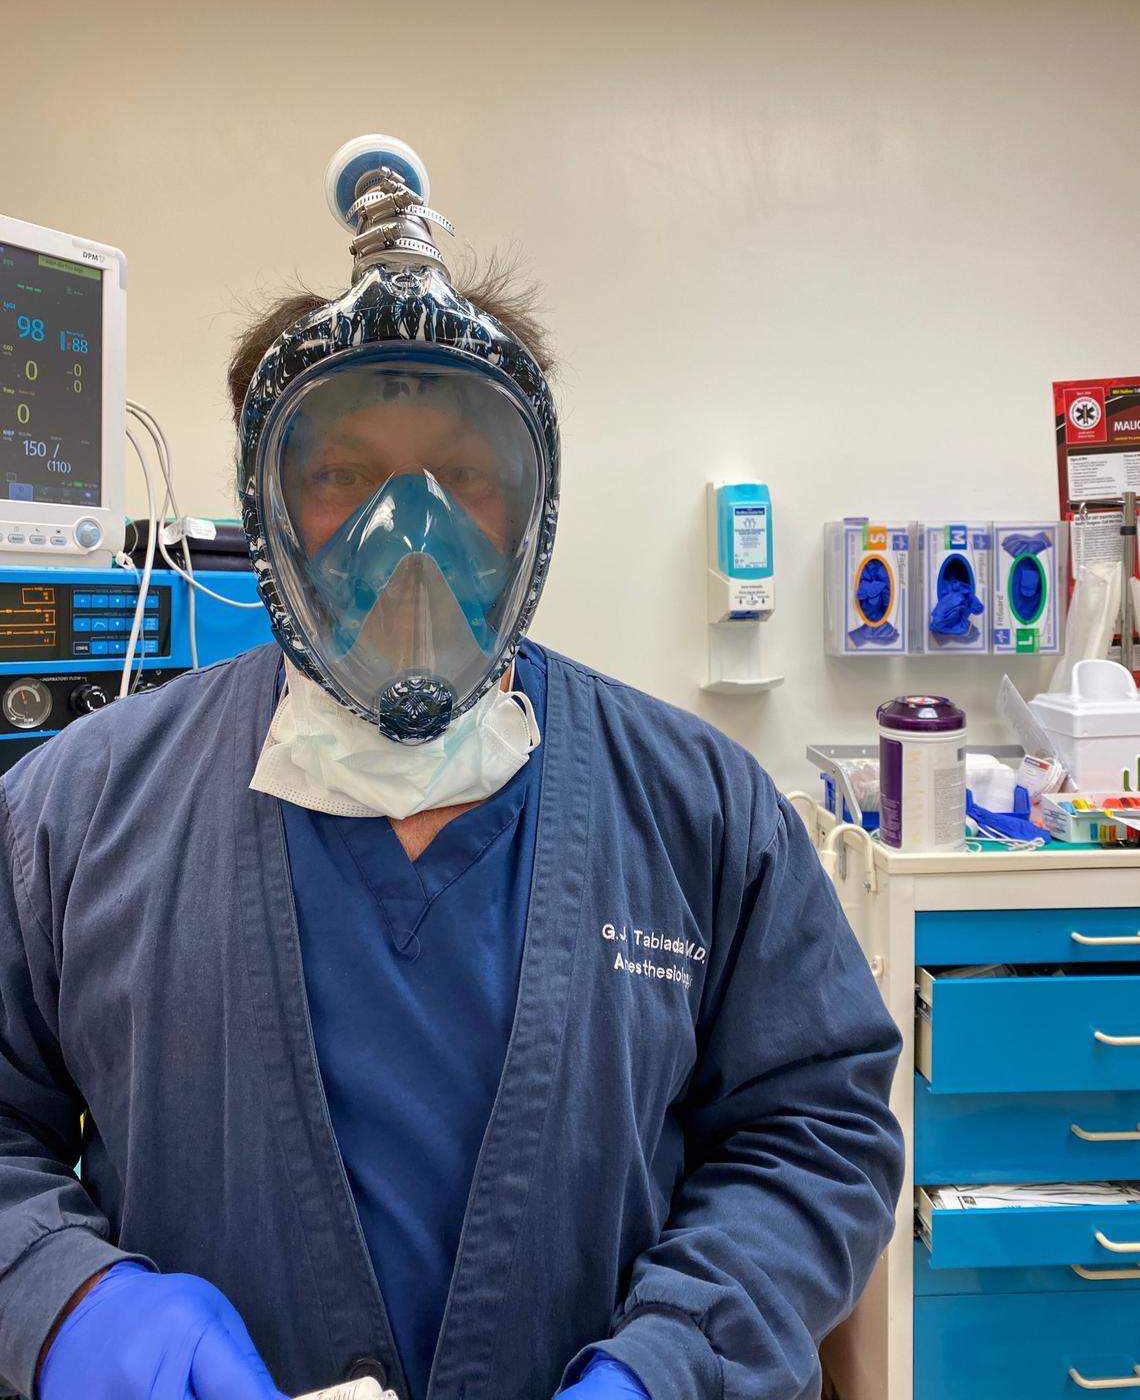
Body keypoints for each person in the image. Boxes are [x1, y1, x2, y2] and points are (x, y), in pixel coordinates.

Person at [0, 140, 903, 1400]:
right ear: (269, 508)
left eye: (460, 475)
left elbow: (818, 1132)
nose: (406, 533)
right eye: (345, 476)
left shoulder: (704, 808)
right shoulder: (72, 813)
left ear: (526, 505)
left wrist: (672, 1366)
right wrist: (69, 1303)